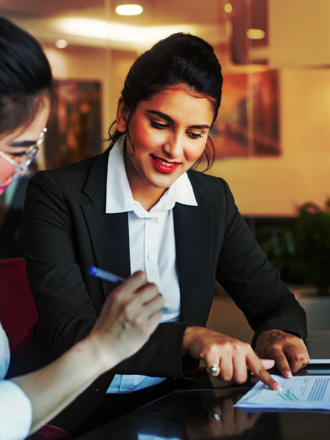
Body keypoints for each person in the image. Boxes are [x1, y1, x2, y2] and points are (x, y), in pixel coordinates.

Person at [24, 32, 310, 427]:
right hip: (72, 409)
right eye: (160, 124)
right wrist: (189, 337)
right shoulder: (57, 194)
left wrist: (278, 334)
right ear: (124, 113)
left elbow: (274, 301)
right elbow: (71, 332)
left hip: (178, 403)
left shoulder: (213, 200)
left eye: (196, 133)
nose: (175, 150)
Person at [0, 16, 163, 440]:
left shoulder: (212, 199)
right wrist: (104, 346)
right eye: (19, 149)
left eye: (35, 147)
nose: (22, 170)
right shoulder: (56, 195)